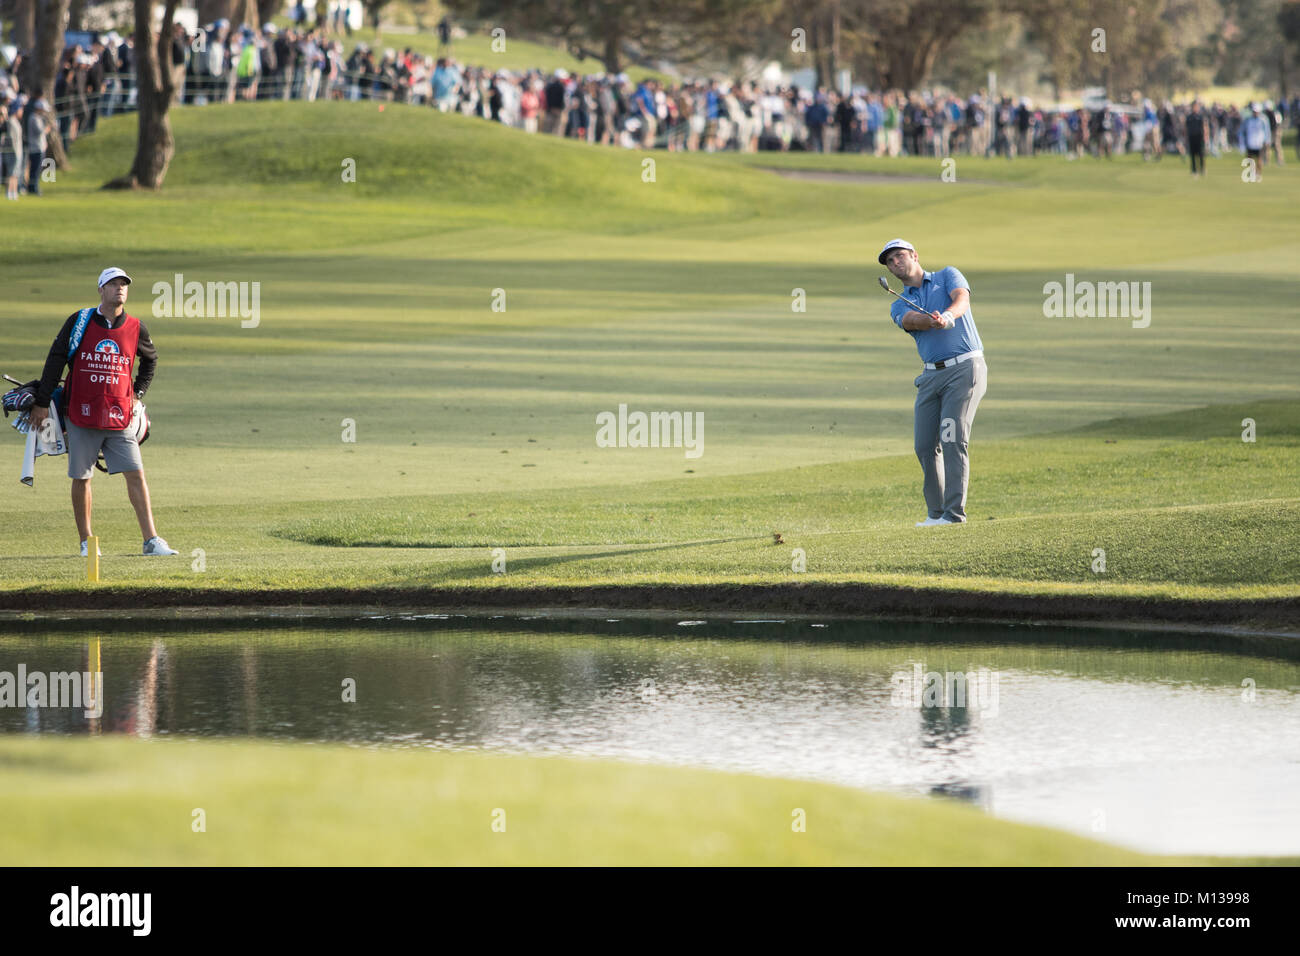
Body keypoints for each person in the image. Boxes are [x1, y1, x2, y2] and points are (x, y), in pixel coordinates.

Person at [28, 267, 178, 557]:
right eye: (112, 284)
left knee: (136, 475)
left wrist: (137, 394)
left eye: (123, 284)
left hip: (119, 416)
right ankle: (87, 542)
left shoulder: (136, 327)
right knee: (82, 477)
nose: (119, 288)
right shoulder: (80, 321)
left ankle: (151, 541)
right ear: (101, 290)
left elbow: (150, 361)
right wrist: (42, 402)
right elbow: (56, 360)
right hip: (82, 413)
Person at [879, 239, 987, 527]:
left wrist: (949, 315)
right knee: (925, 445)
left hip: (964, 368)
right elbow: (911, 320)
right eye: (890, 262)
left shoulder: (947, 275)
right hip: (930, 377)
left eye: (900, 256)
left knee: (952, 438)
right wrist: (932, 321)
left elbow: (961, 298)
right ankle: (935, 514)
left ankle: (953, 515)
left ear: (914, 255)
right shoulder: (897, 303)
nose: (895, 263)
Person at [1186, 100, 1206, 177]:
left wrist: (1205, 136)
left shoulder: (1200, 117)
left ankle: (1202, 169)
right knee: (1192, 154)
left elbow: (1204, 127)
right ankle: (1194, 170)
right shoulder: (1189, 117)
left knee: (1200, 154)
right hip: (1192, 137)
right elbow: (1186, 128)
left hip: (1199, 137)